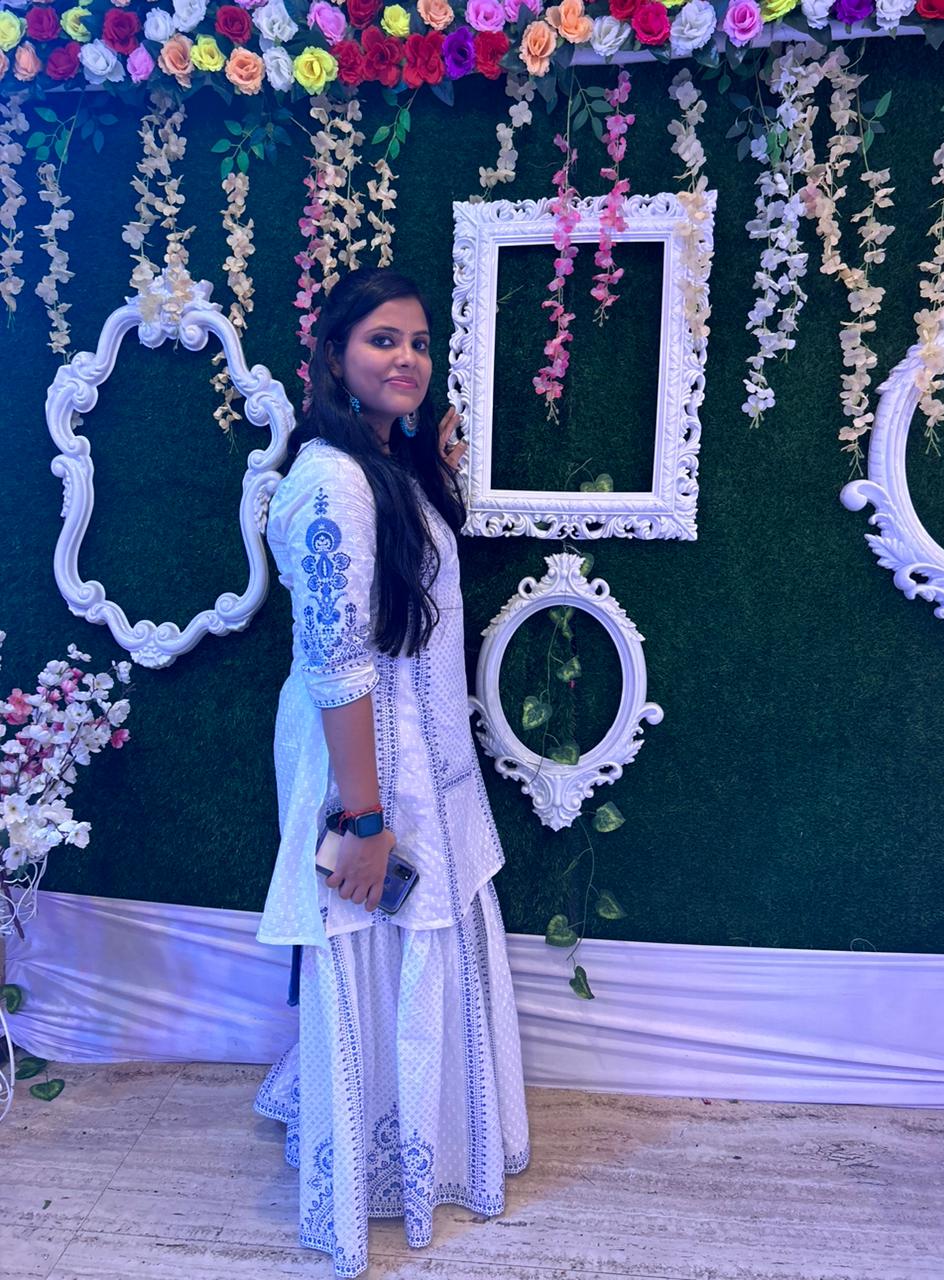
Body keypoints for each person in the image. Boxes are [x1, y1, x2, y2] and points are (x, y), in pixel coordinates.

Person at [253, 267, 530, 1277]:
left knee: (408, 934)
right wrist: (366, 821)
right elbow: (337, 665)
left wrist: (429, 461)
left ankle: (417, 1140)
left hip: (420, 758)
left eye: (418, 341)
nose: (407, 357)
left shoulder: (381, 467)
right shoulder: (332, 482)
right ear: (333, 356)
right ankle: (378, 1162)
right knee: (373, 930)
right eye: (383, 339)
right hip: (373, 767)